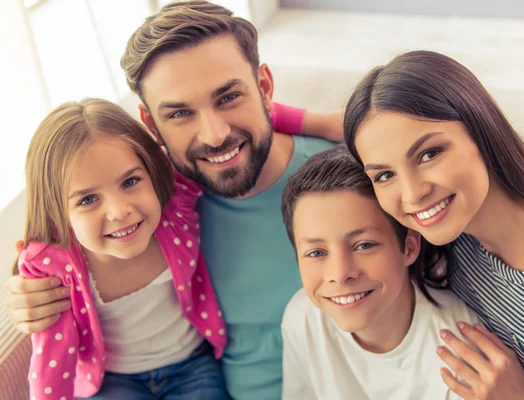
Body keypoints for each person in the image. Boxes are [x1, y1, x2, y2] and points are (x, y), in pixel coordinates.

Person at [3, 2, 338, 399]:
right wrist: (27, 290)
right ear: (152, 125)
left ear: (264, 87)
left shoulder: (347, 174)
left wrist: (326, 122)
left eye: (229, 97)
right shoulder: (158, 195)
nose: (214, 135)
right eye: (180, 113)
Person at [343, 50, 524, 400]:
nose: (413, 194)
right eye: (385, 175)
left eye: (429, 154)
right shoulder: (452, 242)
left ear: (481, 130)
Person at [17, 98, 227, 400]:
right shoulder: (57, 269)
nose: (119, 211)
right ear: (57, 214)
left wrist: (314, 122)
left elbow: (230, 132)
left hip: (192, 364)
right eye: (88, 200)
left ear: (152, 171)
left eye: (130, 182)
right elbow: (52, 362)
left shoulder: (176, 208)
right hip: (112, 380)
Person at [279, 146, 482, 399]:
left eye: (364, 245)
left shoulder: (462, 345)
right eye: (317, 253)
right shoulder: (302, 321)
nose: (340, 274)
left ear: (408, 247)